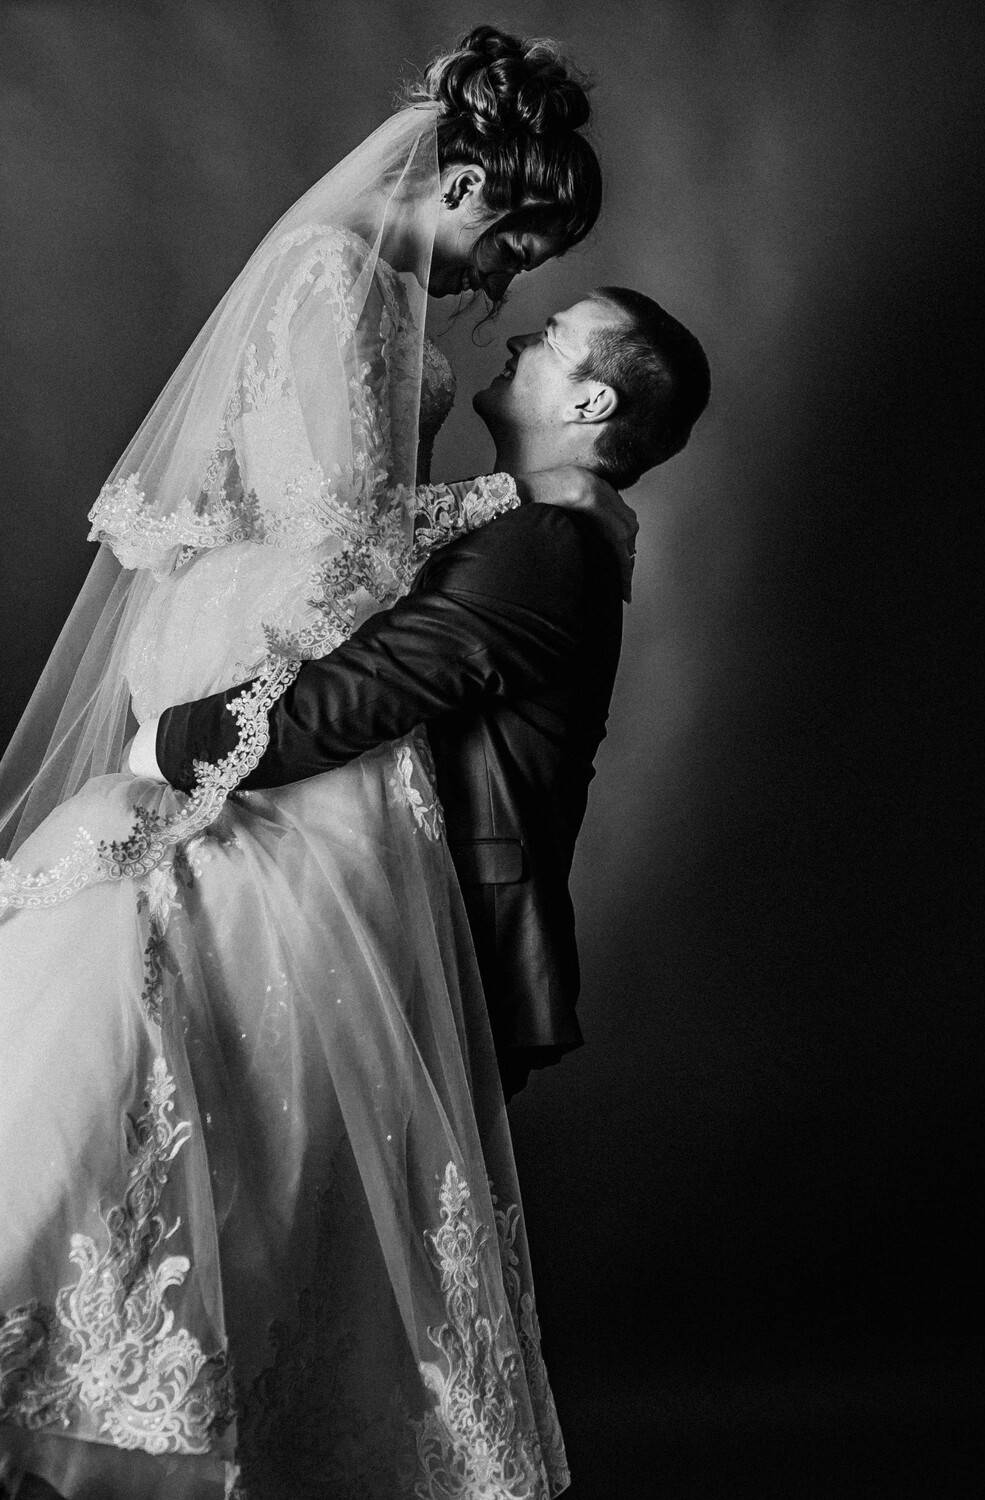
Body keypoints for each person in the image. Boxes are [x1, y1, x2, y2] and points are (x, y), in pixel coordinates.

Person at [0, 25, 630, 1500]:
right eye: (508, 245)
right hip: (274, 681)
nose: (500, 286)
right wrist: (512, 499)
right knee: (242, 1063)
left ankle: (213, 1419)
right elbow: (334, 556)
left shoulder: (356, 280)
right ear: (461, 182)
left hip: (282, 679)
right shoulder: (340, 278)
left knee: (261, 1083)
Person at [140, 287, 711, 1101]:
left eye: (551, 337)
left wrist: (163, 746)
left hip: (450, 948)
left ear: (591, 402)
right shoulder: (524, 525)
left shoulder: (542, 547)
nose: (518, 337)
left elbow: (355, 695)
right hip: (404, 928)